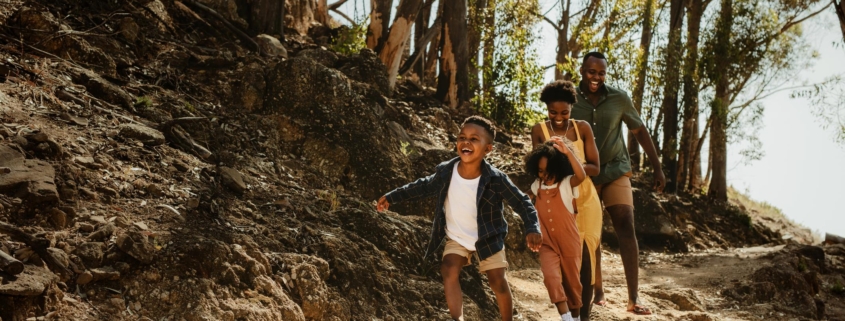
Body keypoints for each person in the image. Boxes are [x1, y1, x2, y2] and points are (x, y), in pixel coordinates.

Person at [376, 116, 543, 321]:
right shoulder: (447, 171)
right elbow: (422, 186)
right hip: (457, 236)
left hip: (488, 237)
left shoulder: (496, 179)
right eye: (462, 137)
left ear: (487, 149)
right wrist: (393, 196)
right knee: (448, 268)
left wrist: (532, 227)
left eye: (474, 139)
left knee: (497, 280)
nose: (466, 142)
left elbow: (522, 202)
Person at [570, 51, 665, 315]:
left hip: (615, 169)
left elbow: (640, 131)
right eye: (591, 71)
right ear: (581, 70)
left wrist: (657, 167)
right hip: (585, 173)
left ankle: (633, 297)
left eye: (601, 73)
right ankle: (597, 291)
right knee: (592, 234)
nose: (596, 77)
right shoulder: (571, 99)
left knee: (625, 223)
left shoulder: (619, 98)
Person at [530, 80, 602, 321]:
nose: (558, 118)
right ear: (546, 108)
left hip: (584, 198)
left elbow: (595, 167)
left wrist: (568, 156)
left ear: (572, 108)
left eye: (564, 112)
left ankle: (585, 315)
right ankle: (570, 314)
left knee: (586, 256)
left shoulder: (582, 128)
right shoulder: (539, 130)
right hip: (557, 199)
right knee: (563, 263)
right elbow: (539, 166)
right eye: (553, 112)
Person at [525, 137, 586, 321]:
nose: (545, 175)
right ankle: (565, 317)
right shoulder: (538, 186)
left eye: (549, 170)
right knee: (550, 277)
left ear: (559, 167)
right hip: (547, 243)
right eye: (541, 171)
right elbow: (525, 201)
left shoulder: (567, 183)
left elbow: (582, 176)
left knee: (572, 285)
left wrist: (568, 152)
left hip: (569, 243)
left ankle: (574, 317)